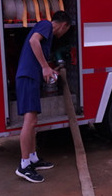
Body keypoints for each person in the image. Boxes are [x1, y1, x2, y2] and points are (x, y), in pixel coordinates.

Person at [14, 10, 72, 183]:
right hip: (27, 78)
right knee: (29, 121)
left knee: (34, 122)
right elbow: (33, 41)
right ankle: (24, 166)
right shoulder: (46, 24)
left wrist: (48, 69)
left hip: (31, 77)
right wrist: (46, 67)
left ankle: (33, 158)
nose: (63, 34)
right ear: (63, 25)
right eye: (65, 31)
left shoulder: (47, 34)